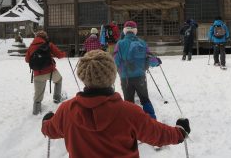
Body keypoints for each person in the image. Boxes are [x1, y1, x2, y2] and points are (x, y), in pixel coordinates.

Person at [41, 50, 191, 158]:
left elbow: (50, 130)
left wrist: (47, 121)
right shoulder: (129, 112)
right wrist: (180, 132)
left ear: (83, 76)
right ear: (112, 76)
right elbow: (158, 134)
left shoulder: (66, 110)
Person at [114, 20, 157, 119]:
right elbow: (150, 59)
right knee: (145, 99)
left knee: (128, 102)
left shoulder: (120, 44)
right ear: (135, 31)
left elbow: (116, 60)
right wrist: (156, 62)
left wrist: (119, 70)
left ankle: (131, 123)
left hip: (126, 78)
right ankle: (152, 120)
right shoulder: (142, 42)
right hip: (140, 77)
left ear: (125, 31)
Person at [25, 30, 66, 115]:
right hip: (50, 72)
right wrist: (64, 54)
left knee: (38, 93)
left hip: (37, 74)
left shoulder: (31, 47)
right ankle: (57, 98)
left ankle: (36, 110)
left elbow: (27, 60)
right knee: (59, 80)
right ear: (45, 37)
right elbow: (59, 55)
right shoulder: (48, 44)